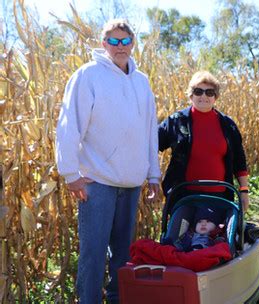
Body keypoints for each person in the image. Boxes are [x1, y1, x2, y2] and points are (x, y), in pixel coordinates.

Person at [55, 19, 160, 303]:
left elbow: (149, 129)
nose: (120, 47)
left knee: (123, 255)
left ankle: (117, 300)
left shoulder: (142, 81)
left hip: (131, 182)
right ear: (104, 44)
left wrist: (153, 175)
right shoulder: (88, 75)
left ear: (133, 43)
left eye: (125, 41)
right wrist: (70, 173)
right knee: (94, 252)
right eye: (113, 41)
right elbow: (69, 125)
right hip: (97, 182)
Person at [158, 71, 249, 210]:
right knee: (183, 232)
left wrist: (244, 190)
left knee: (216, 232)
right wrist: (153, 178)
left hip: (220, 197)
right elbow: (152, 145)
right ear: (191, 95)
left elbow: (239, 161)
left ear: (216, 97)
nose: (203, 96)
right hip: (183, 198)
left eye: (209, 92)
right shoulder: (176, 121)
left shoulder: (227, 125)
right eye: (198, 91)